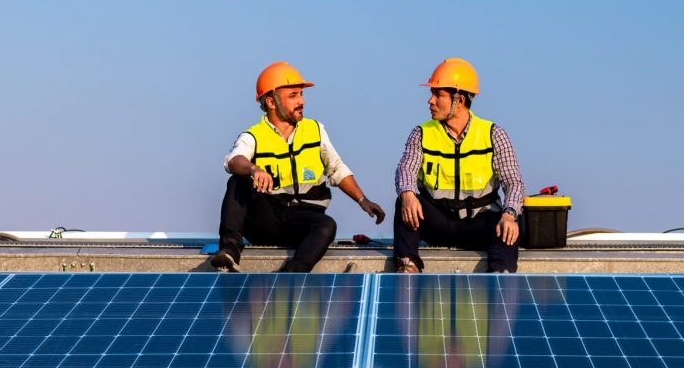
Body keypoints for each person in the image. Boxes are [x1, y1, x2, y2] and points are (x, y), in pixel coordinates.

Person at [212, 61, 385, 272]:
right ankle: (229, 251)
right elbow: (234, 160)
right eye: (293, 95)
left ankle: (291, 274)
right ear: (271, 102)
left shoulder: (315, 130)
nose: (301, 101)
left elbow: (337, 169)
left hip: (303, 219)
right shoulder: (253, 135)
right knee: (237, 180)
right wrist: (254, 169)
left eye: (301, 95)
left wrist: (362, 199)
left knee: (327, 225)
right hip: (268, 219)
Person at [394, 57, 524, 273]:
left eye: (438, 95)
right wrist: (407, 194)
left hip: (480, 224)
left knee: (508, 225)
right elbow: (406, 169)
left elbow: (514, 183)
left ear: (459, 99)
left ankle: (501, 276)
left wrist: (509, 214)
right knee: (404, 203)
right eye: (431, 94)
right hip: (439, 223)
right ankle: (408, 265)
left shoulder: (493, 134)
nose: (430, 101)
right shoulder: (421, 133)